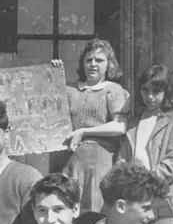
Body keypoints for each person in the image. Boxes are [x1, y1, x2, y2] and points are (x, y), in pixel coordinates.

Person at [118, 64, 173, 224]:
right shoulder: (132, 123)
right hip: (134, 197)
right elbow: (122, 158)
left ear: (167, 92)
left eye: (156, 91)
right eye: (145, 90)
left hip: (162, 196)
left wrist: (144, 184)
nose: (149, 96)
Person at [53, 38, 130, 213]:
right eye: (88, 60)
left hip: (99, 162)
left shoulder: (113, 89)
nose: (93, 64)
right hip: (69, 160)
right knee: (66, 210)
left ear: (109, 64)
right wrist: (54, 75)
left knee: (93, 212)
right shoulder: (70, 89)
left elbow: (120, 126)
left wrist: (84, 131)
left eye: (99, 60)